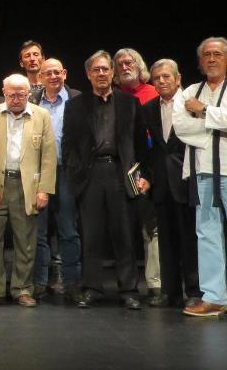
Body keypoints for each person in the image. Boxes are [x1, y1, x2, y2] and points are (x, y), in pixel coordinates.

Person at [173, 37, 227, 324]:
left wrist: (203, 111)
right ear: (200, 61)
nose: (212, 58)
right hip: (203, 169)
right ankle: (214, 298)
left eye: (217, 54)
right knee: (207, 234)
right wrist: (221, 127)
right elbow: (182, 128)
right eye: (206, 55)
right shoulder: (188, 91)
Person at [63, 51, 148, 310]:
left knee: (124, 234)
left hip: (121, 173)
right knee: (92, 235)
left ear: (112, 73)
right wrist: (75, 174)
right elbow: (68, 145)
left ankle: (129, 290)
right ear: (88, 74)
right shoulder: (75, 105)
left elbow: (140, 143)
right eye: (96, 70)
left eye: (105, 69)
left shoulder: (128, 103)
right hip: (91, 175)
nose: (101, 73)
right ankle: (92, 288)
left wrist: (143, 175)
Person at [0, 74, 57, 307]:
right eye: (11, 94)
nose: (16, 98)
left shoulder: (41, 115)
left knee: (26, 241)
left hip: (27, 186)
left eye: (21, 94)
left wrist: (44, 190)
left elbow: (49, 156)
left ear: (29, 93)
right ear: (3, 92)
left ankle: (22, 289)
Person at [144, 59, 202, 308]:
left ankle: (194, 291)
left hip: (187, 179)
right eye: (157, 78)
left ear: (178, 79)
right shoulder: (148, 108)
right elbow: (149, 149)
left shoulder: (191, 104)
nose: (162, 81)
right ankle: (170, 291)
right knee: (165, 240)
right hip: (161, 183)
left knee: (190, 239)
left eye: (167, 77)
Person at [113, 47, 162, 305]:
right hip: (119, 171)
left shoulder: (153, 93)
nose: (124, 66)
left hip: (149, 168)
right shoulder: (113, 96)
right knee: (125, 227)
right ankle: (128, 285)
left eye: (129, 61)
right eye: (119, 63)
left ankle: (155, 283)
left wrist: (150, 174)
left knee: (151, 227)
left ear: (139, 64)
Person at [33, 58, 82, 301]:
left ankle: (73, 282)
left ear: (64, 73)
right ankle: (40, 282)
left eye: (56, 72)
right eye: (47, 73)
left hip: (66, 171)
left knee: (68, 229)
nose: (52, 76)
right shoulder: (33, 101)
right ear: (40, 77)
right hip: (38, 172)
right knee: (38, 230)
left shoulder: (77, 99)